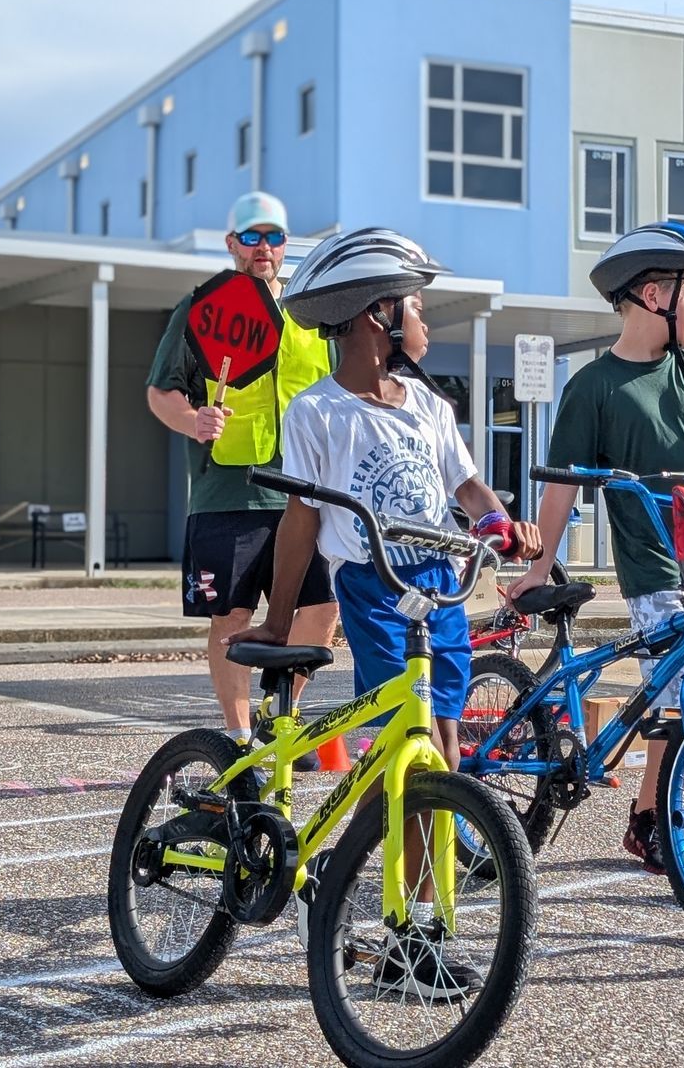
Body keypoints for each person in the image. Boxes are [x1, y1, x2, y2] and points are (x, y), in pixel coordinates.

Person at [228, 228, 541, 999]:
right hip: (371, 586)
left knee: (440, 752)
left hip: (438, 585)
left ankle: (413, 918)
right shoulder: (320, 413)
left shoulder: (428, 407)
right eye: (418, 308)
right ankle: (404, 931)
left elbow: (468, 490)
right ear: (379, 315)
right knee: (414, 744)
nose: (427, 324)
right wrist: (277, 620)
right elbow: (301, 518)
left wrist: (504, 524)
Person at [508, 221, 684, 896]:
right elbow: (565, 481)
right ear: (653, 294)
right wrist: (542, 563)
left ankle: (644, 819)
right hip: (653, 564)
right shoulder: (595, 387)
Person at [145, 191, 337, 766]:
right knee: (231, 617)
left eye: (273, 237)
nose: (263, 248)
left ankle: (282, 721)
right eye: (250, 237)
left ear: (285, 245)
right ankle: (236, 737)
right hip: (227, 489)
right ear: (232, 244)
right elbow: (161, 391)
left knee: (321, 609)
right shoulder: (203, 310)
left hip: (307, 489)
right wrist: (191, 419)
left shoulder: (311, 317)